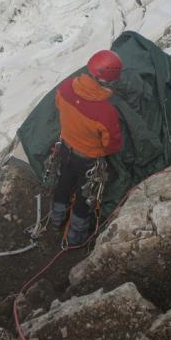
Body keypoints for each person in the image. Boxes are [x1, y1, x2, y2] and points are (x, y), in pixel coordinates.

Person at [49, 50, 124, 246]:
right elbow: (111, 145)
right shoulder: (106, 112)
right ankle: (75, 237)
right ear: (109, 81)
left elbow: (58, 105)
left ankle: (56, 219)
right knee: (85, 196)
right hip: (88, 160)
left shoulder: (65, 87)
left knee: (63, 184)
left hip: (65, 148)